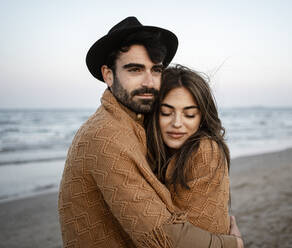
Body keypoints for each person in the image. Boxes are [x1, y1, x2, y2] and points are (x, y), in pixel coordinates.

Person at [58, 16, 243, 248]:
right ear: (108, 75)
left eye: (156, 70)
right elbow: (161, 238)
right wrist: (233, 244)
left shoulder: (135, 126)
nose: (149, 82)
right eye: (135, 69)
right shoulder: (106, 135)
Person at [146, 65, 231, 235]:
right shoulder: (150, 152)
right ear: (154, 114)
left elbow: (197, 232)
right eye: (166, 112)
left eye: (189, 114)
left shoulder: (206, 151)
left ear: (202, 118)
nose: (177, 123)